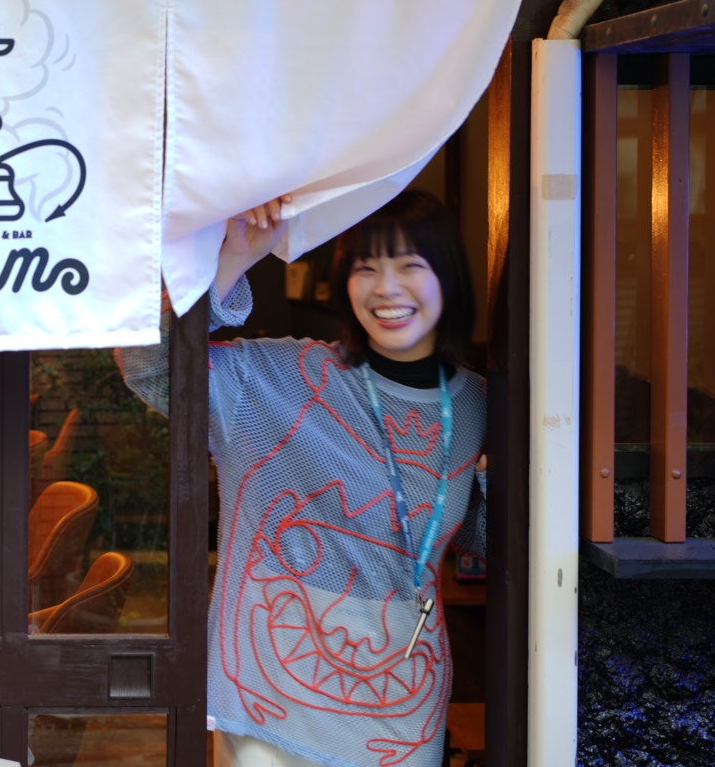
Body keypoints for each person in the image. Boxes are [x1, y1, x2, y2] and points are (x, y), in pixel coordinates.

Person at [118, 190, 487, 767]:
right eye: (366, 268)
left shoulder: (477, 405)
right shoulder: (278, 379)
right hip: (271, 712)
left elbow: (491, 545)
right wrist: (234, 260)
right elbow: (150, 365)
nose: (386, 288)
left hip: (406, 707)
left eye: (410, 266)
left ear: (451, 279)